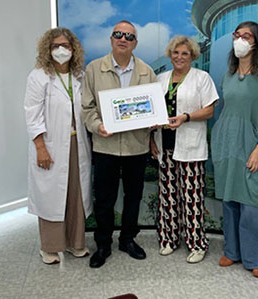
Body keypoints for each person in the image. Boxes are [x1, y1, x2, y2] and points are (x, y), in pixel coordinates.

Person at [82, 20, 156, 268]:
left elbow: (153, 107)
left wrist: (154, 120)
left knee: (133, 197)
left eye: (129, 36)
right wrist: (97, 126)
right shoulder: (93, 69)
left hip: (137, 147)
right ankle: (103, 244)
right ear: (111, 39)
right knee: (104, 198)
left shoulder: (147, 71)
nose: (123, 39)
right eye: (118, 34)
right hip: (106, 147)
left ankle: (127, 239)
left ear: (135, 42)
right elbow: (87, 108)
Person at [211, 21, 258, 277]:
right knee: (230, 200)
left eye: (246, 35)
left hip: (254, 145)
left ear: (256, 41)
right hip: (226, 144)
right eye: (236, 35)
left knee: (252, 203)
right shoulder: (227, 75)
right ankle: (232, 252)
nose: (240, 39)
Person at [24, 27, 93, 264]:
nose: (61, 50)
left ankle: (76, 243)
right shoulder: (39, 76)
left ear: (73, 50)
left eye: (66, 46)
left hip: (77, 143)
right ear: (48, 50)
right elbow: (32, 115)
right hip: (50, 145)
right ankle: (50, 247)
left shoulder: (79, 76)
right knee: (51, 196)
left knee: (75, 194)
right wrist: (40, 147)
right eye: (56, 46)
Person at [150, 36, 219, 263]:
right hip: (165, 146)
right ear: (170, 54)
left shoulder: (202, 78)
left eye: (185, 54)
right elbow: (151, 112)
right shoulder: (160, 79)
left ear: (192, 57)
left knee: (192, 198)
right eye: (176, 53)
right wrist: (152, 139)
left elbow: (209, 111)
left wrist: (186, 117)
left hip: (190, 147)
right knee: (167, 196)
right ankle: (169, 239)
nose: (179, 57)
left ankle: (197, 244)